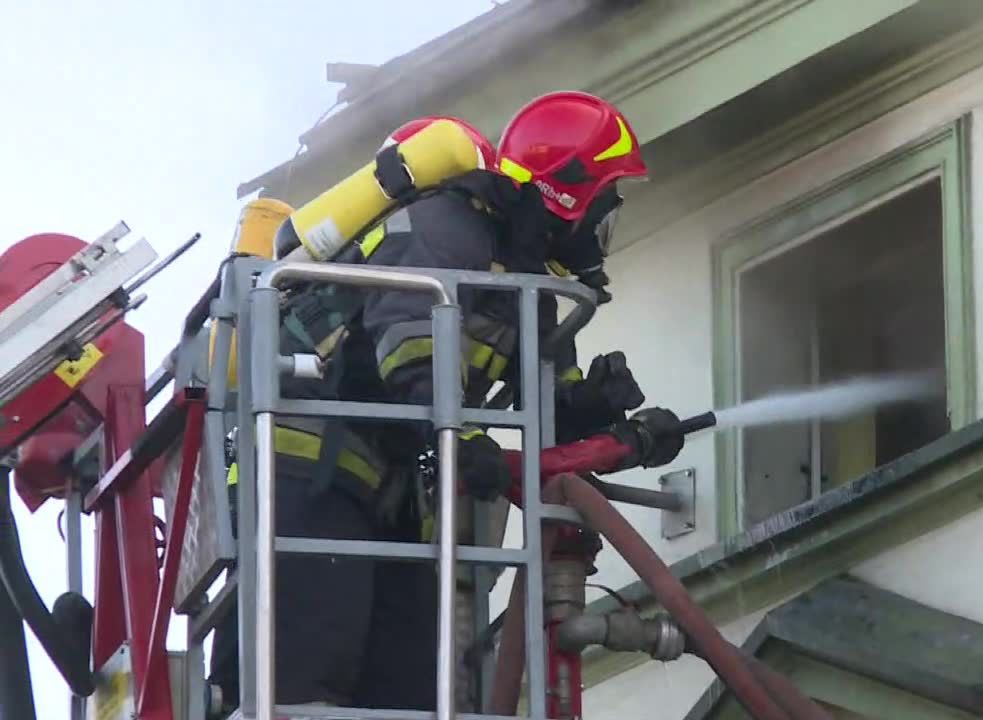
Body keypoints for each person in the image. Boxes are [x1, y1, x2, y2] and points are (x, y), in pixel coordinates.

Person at [209, 94, 681, 712]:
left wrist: (591, 407)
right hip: (308, 475)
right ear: (567, 194)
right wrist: (460, 437)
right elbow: (410, 336)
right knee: (309, 672)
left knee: (408, 691)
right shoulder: (443, 225)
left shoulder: (526, 283)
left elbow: (540, 399)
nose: (603, 231)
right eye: (604, 206)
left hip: (394, 493)